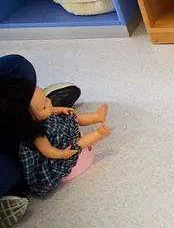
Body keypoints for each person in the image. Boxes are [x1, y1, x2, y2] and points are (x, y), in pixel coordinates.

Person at [0, 55, 111, 197]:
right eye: (45, 105)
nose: (50, 104)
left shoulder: (45, 113)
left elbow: (53, 110)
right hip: (60, 145)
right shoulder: (37, 134)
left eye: (47, 100)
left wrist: (58, 109)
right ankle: (98, 133)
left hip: (53, 126)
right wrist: (62, 154)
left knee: (18, 65)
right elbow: (48, 151)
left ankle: (97, 116)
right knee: (78, 145)